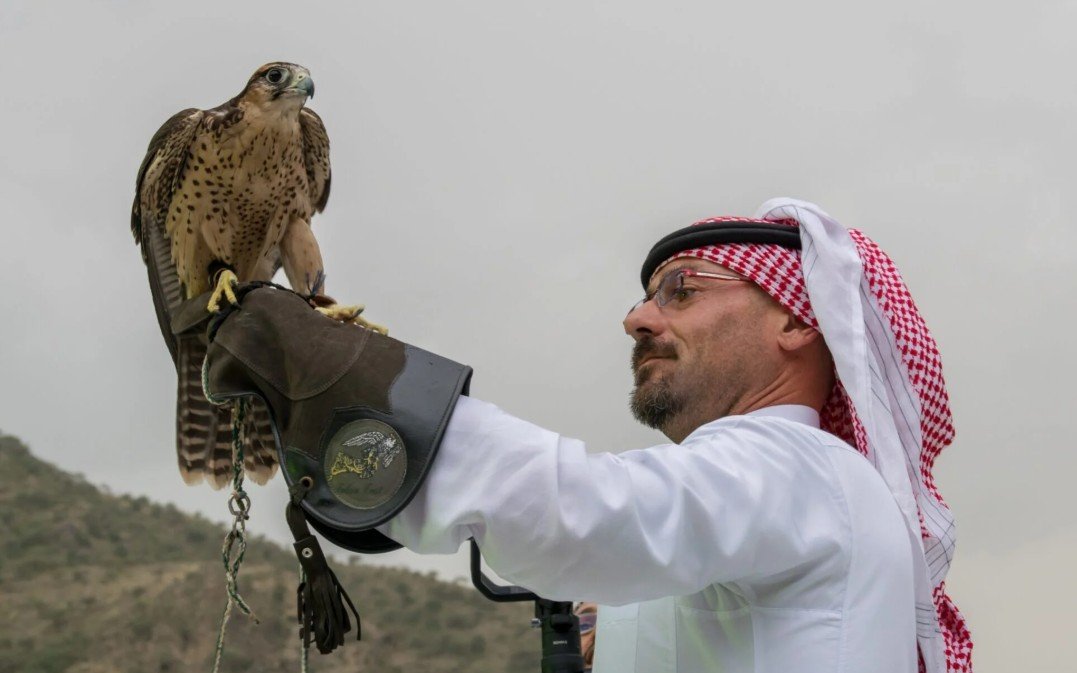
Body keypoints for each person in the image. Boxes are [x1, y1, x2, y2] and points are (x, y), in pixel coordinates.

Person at [204, 197, 972, 672]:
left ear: (797, 319)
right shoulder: (777, 497)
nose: (638, 317)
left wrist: (362, 386)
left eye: (682, 291)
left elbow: (583, 511)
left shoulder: (797, 463)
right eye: (643, 297)